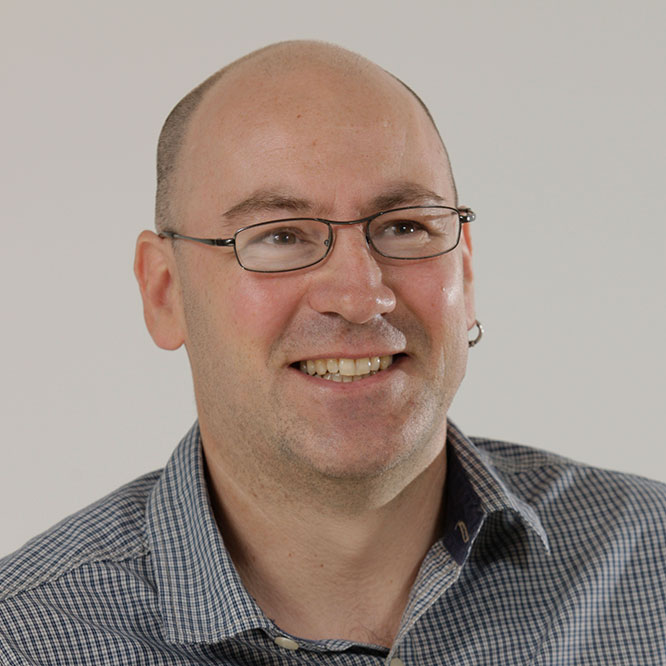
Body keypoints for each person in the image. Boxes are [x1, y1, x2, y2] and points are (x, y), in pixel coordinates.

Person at [0, 40, 664, 666]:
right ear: (164, 291)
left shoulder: (650, 562)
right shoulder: (25, 639)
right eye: (280, 236)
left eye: (404, 226)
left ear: (464, 273)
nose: (359, 297)